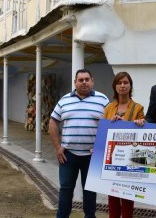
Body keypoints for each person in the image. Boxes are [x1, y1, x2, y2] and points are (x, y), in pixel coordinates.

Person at [49, 69, 109, 218]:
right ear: (75, 82)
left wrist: (101, 148)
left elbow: (110, 125)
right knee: (66, 189)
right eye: (80, 80)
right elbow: (53, 121)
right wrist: (57, 147)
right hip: (68, 155)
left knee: (90, 191)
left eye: (87, 79)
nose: (84, 82)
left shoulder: (103, 100)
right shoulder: (64, 100)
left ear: (92, 81)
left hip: (91, 156)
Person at [103, 72, 145, 218]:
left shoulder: (138, 108)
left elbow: (141, 137)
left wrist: (140, 123)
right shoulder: (108, 108)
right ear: (115, 86)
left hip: (129, 160)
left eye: (126, 82)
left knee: (127, 198)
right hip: (112, 159)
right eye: (119, 83)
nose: (122, 85)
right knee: (112, 197)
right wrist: (110, 124)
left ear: (130, 85)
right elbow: (104, 132)